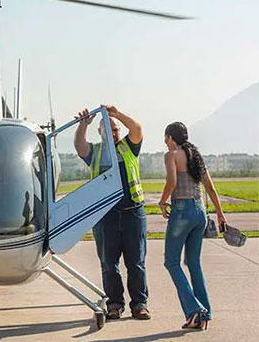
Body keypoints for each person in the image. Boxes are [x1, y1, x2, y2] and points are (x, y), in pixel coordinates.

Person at [74, 105, 150, 320]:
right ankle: (115, 304)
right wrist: (82, 126)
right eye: (107, 129)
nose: (112, 132)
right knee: (109, 264)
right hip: (105, 216)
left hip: (132, 212)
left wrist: (116, 115)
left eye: (115, 129)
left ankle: (140, 304)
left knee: (136, 262)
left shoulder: (129, 147)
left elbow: (137, 128)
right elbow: (80, 147)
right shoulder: (95, 152)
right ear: (100, 132)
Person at [158, 122, 227, 330]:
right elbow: (210, 188)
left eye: (165, 137)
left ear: (170, 138)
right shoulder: (196, 155)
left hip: (181, 211)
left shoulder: (171, 155)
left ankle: (195, 310)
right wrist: (220, 214)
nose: (164, 141)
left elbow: (171, 182)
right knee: (194, 263)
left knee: (171, 262)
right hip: (200, 212)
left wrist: (162, 201)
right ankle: (204, 314)